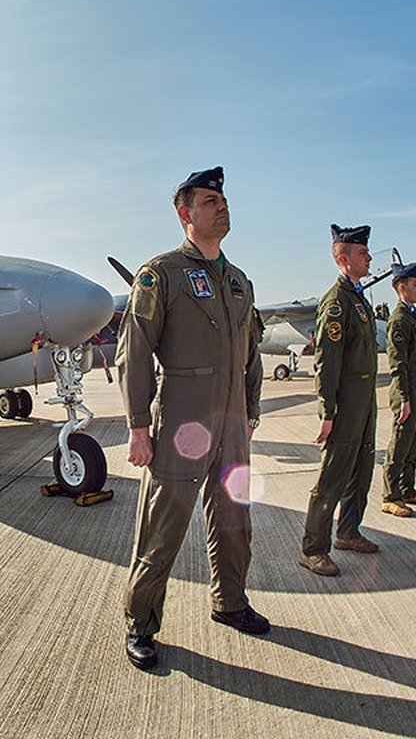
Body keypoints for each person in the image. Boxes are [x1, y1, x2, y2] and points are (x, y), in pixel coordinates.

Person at [117, 166, 268, 670]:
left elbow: (250, 352)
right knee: (163, 526)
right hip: (182, 420)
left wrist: (250, 410)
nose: (220, 207)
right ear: (185, 214)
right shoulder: (161, 274)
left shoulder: (239, 281)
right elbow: (134, 351)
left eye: (222, 200)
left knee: (234, 518)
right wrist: (139, 425)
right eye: (208, 201)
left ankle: (230, 601)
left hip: (230, 424)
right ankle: (140, 622)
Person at [299, 224, 379, 577]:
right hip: (346, 402)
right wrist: (327, 411)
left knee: (361, 470)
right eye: (363, 253)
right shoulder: (336, 303)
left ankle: (348, 532)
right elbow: (326, 362)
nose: (369, 257)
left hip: (364, 400)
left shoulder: (358, 297)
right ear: (345, 259)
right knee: (332, 476)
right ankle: (313, 549)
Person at [381, 263, 416, 517]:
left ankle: (407, 488)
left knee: (414, 441)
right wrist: (404, 398)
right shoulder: (399, 320)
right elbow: (397, 363)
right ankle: (390, 496)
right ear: (402, 288)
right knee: (400, 443)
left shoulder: (413, 317)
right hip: (406, 392)